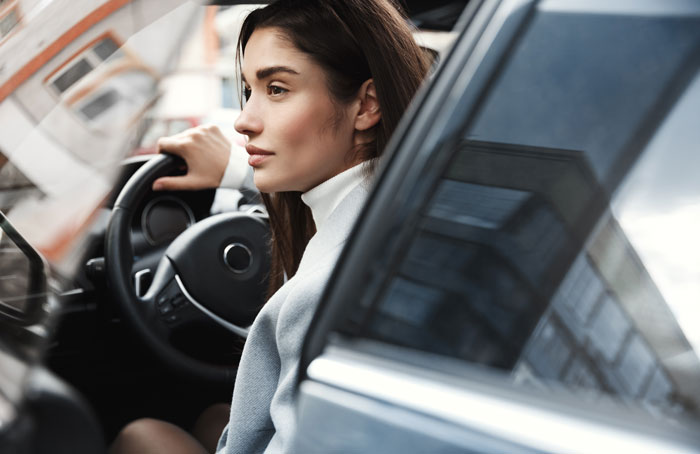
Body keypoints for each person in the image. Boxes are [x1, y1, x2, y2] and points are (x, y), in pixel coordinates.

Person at [109, 1, 429, 453]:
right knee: (215, 417)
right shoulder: (418, 210)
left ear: (367, 105)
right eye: (247, 89)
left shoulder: (319, 293)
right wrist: (239, 171)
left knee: (140, 435)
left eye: (276, 89)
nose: (243, 120)